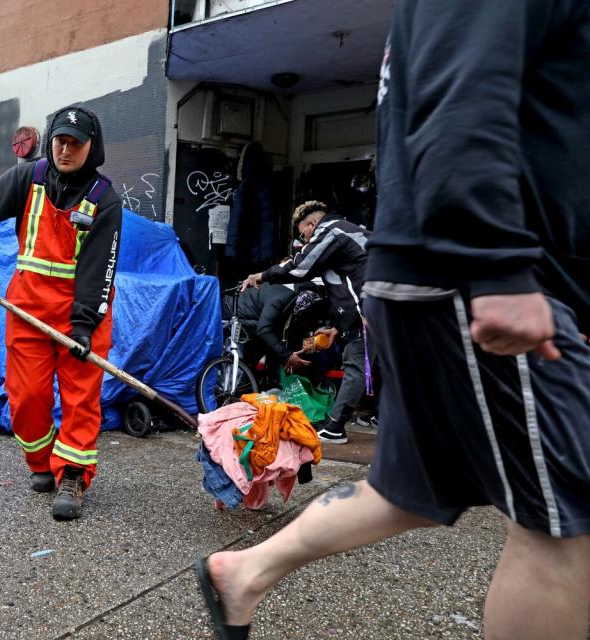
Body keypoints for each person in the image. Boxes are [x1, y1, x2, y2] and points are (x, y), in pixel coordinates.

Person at [195, 2, 590, 639]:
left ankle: (245, 573)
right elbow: (462, 101)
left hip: (432, 281)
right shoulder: (333, 234)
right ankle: (335, 421)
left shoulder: (333, 232)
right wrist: (497, 267)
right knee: (565, 516)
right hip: (472, 276)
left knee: (409, 491)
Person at [0, 106, 123, 521]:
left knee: (80, 401)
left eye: (75, 143)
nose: (66, 149)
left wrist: (83, 326)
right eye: (60, 140)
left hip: (84, 314)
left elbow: (101, 267)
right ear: (50, 141)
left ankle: (73, 476)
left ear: (91, 148)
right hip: (27, 308)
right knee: (26, 398)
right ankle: (41, 463)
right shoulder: (29, 177)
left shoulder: (103, 199)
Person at [240, 200, 369, 443]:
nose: (305, 241)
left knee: (355, 364)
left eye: (303, 233)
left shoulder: (331, 230)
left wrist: (261, 275)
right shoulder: (350, 233)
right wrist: (339, 327)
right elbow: (348, 285)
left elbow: (300, 267)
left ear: (312, 224)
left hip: (372, 306)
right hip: (377, 304)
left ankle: (334, 428)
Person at [225, 142, 277, 280]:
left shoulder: (247, 185)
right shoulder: (268, 184)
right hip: (262, 248)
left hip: (248, 248)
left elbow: (237, 220)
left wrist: (231, 251)